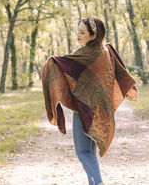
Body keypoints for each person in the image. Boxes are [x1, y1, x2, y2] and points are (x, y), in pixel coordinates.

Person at [42, 16, 138, 185]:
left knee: (82, 152)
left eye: (82, 32)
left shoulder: (85, 54)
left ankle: (99, 182)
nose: (78, 35)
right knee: (90, 152)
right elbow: (119, 74)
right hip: (103, 109)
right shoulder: (106, 51)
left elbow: (61, 64)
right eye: (77, 31)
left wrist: (51, 62)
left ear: (94, 35)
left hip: (85, 108)